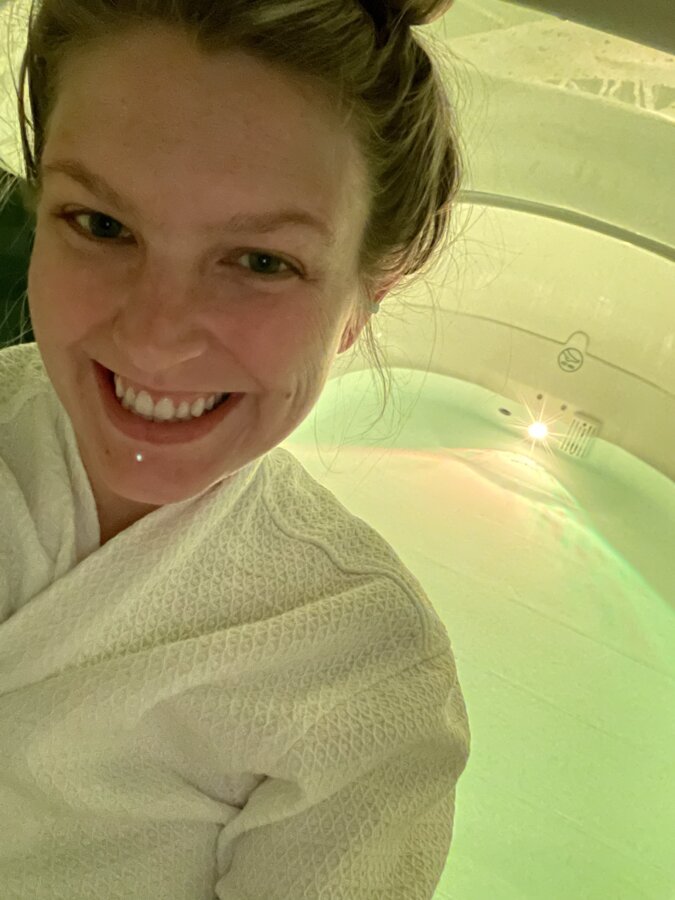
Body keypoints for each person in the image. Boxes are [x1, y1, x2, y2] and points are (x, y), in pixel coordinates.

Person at [0, 1, 471, 897]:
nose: (153, 340)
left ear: (366, 295)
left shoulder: (365, 674)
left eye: (261, 261)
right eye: (100, 224)